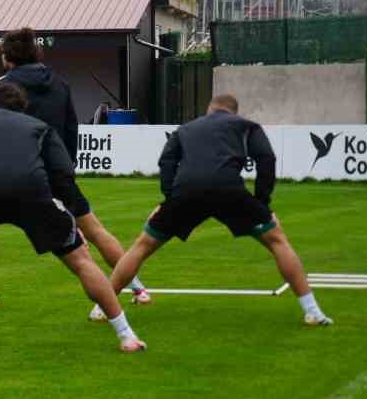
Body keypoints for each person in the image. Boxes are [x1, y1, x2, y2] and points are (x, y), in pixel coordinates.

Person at [0, 81, 144, 354]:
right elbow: (63, 175)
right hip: (33, 193)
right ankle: (127, 335)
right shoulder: (39, 127)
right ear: (21, 106)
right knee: (80, 260)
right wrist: (71, 218)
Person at [0, 28, 151, 310]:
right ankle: (137, 288)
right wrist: (65, 167)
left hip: (15, 172)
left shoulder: (2, 86)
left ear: (8, 56)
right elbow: (72, 128)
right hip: (56, 170)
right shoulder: (60, 84)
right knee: (94, 230)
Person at [108, 94, 333, 327]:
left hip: (187, 193)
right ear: (233, 112)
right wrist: (262, 203)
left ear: (210, 109)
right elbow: (266, 158)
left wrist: (169, 198)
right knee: (277, 241)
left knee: (143, 245)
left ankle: (103, 307)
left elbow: (166, 161)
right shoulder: (247, 126)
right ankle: (312, 311)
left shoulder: (186, 129)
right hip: (229, 191)